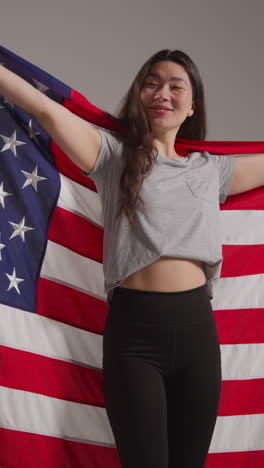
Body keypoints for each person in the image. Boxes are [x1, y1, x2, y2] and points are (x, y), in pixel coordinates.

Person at [0, 49, 236, 468]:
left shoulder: (210, 169)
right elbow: (41, 107)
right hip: (135, 338)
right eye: (152, 83)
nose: (162, 93)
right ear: (138, 94)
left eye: (175, 86)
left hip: (199, 336)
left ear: (192, 104)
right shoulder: (111, 155)